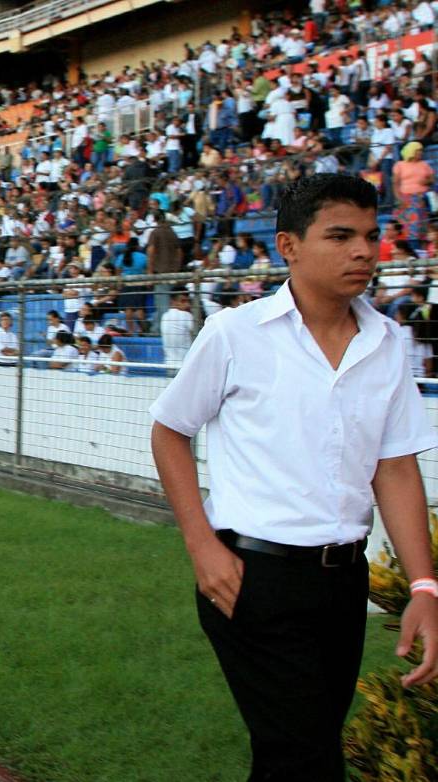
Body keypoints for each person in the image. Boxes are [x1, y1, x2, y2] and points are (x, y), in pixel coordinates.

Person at [150, 175, 438, 781]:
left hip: (344, 584)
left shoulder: (388, 342)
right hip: (252, 578)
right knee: (307, 758)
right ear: (289, 246)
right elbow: (170, 430)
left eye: (371, 236)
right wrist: (202, 546)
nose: (363, 251)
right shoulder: (235, 333)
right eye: (340, 236)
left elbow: (395, 467)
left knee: (298, 754)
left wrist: (423, 586)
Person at [392, 141, 435, 241]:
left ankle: (419, 244)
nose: (421, 153)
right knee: (405, 226)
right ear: (411, 151)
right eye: (418, 151)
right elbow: (395, 184)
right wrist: (398, 198)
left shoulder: (424, 164)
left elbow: (432, 179)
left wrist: (426, 181)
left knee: (420, 225)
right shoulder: (400, 165)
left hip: (420, 199)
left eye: (421, 151)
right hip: (405, 199)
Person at [160, 289, 194, 366]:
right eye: (183, 301)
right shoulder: (187, 316)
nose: (187, 305)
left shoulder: (164, 316)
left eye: (188, 301)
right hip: (185, 365)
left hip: (168, 364)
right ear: (173, 302)